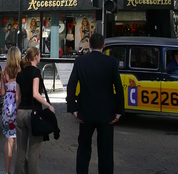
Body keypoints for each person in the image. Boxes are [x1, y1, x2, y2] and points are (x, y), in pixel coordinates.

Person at [66, 33, 125, 174]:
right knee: (105, 152)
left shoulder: (80, 61)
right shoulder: (111, 62)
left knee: (83, 150)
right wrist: (119, 111)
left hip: (85, 113)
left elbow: (71, 85)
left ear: (90, 45)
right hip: (106, 113)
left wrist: (73, 108)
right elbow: (118, 87)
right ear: (103, 46)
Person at [15, 47, 54, 174]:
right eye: (40, 55)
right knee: (33, 151)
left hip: (21, 112)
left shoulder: (20, 73)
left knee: (20, 150)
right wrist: (48, 105)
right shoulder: (35, 72)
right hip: (33, 114)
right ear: (36, 57)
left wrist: (17, 111)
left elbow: (17, 97)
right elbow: (35, 94)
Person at [1, 46, 21, 174]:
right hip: (16, 105)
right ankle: (17, 170)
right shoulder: (20, 71)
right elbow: (19, 95)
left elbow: (2, 92)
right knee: (19, 139)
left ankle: (7, 171)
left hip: (7, 106)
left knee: (9, 140)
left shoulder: (4, 72)